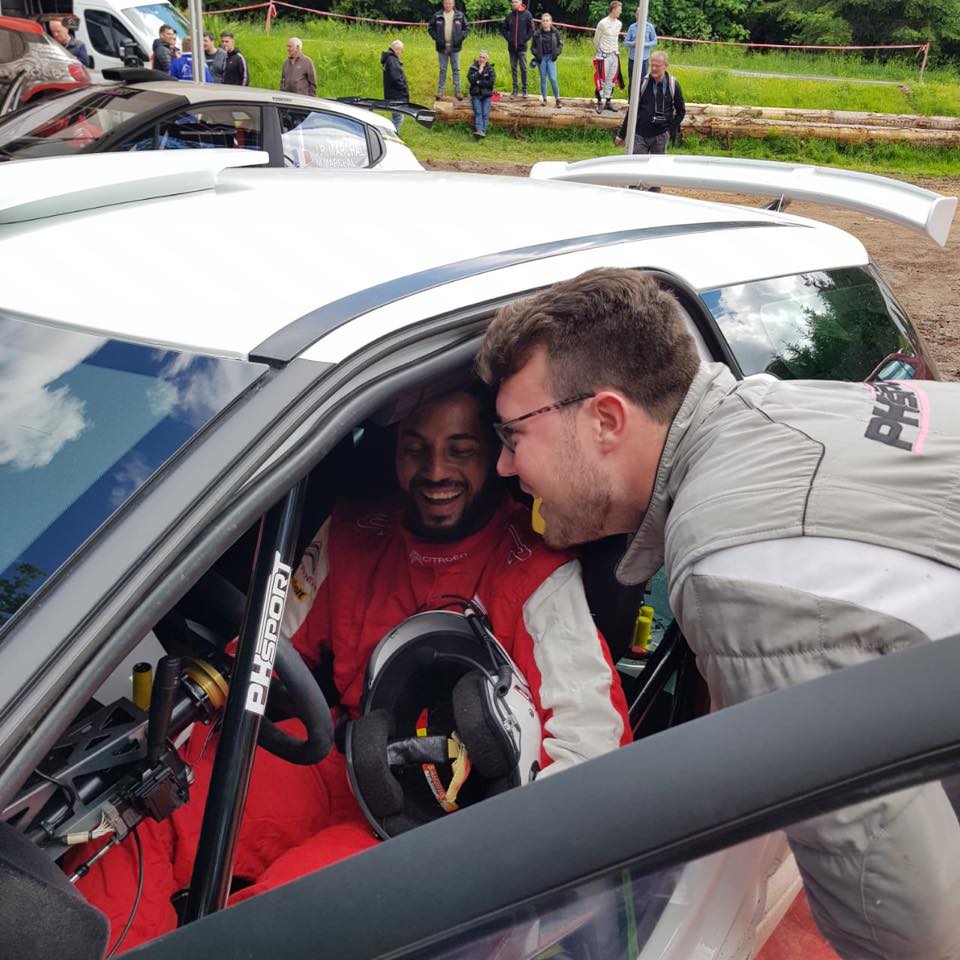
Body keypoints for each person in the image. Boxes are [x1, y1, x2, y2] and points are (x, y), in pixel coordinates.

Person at [477, 267, 960, 960]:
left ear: (606, 419)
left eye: (511, 434)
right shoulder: (786, 406)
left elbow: (905, 920)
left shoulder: (738, 567)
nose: (502, 466)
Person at [76, 386, 631, 951]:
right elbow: (270, 644)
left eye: (461, 450)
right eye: (415, 448)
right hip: (335, 761)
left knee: (274, 928)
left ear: (496, 454)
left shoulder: (533, 567)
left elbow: (593, 743)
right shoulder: (356, 530)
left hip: (437, 821)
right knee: (144, 805)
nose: (435, 471)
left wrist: (501, 858)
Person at [614, 50, 684, 184]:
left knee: (656, 175)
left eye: (657, 65)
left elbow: (681, 111)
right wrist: (621, 135)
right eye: (652, 65)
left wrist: (669, 131)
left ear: (665, 66)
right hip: (640, 134)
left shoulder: (673, 84)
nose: (654, 68)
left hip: (661, 136)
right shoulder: (643, 83)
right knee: (635, 172)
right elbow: (632, 109)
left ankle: (653, 193)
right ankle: (634, 191)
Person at [427, 0, 468, 100]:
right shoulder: (437, 15)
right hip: (442, 47)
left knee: (456, 69)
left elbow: (466, 28)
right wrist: (437, 38)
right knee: (443, 69)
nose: (448, 5)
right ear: (443, 4)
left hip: (455, 47)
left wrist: (460, 38)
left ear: (453, 4)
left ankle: (458, 91)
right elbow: (430, 28)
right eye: (446, 3)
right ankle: (440, 91)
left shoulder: (460, 15)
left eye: (450, 3)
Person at [593, 0, 622, 114]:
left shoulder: (619, 24)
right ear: (613, 10)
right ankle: (599, 102)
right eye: (619, 10)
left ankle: (608, 101)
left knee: (612, 79)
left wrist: (616, 52)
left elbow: (615, 39)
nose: (620, 12)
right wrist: (600, 52)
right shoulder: (602, 23)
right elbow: (596, 39)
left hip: (614, 54)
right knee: (601, 79)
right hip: (603, 55)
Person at [500, 0, 533, 99]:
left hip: (522, 48)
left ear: (520, 3)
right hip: (511, 48)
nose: (513, 3)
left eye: (516, 2)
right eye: (513, 2)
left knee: (523, 68)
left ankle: (525, 89)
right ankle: (515, 89)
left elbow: (531, 30)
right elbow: (504, 29)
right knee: (514, 69)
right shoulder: (509, 16)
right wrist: (509, 39)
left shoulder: (527, 15)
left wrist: (524, 40)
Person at [531, 13, 563, 108]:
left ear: (550, 22)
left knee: (553, 78)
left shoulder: (555, 32)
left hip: (551, 58)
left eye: (547, 21)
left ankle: (558, 99)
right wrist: (537, 55)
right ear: (541, 22)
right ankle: (544, 99)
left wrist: (556, 53)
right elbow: (532, 47)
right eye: (544, 21)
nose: (545, 22)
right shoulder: (537, 34)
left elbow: (560, 44)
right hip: (542, 59)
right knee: (543, 78)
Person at [381, 39, 409, 133]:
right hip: (396, 96)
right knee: (398, 119)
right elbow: (396, 78)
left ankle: (391, 135)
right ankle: (390, 135)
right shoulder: (392, 60)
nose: (401, 53)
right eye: (401, 51)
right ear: (397, 49)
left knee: (397, 118)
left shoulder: (389, 59)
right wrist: (404, 88)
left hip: (391, 94)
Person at [624, 7, 656, 91]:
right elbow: (626, 43)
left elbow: (654, 41)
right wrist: (634, 43)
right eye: (638, 14)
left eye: (642, 14)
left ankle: (641, 99)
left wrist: (644, 44)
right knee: (632, 80)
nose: (640, 16)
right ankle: (630, 98)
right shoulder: (632, 27)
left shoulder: (650, 27)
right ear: (636, 15)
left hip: (644, 59)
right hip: (632, 59)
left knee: (643, 81)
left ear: (646, 15)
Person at [467, 50, 496, 140]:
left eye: (483, 57)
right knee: (478, 112)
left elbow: (491, 83)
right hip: (476, 94)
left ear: (487, 59)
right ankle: (480, 130)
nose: (481, 59)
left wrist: (479, 82)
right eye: (480, 57)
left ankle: (482, 131)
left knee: (485, 113)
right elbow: (471, 80)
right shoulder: (473, 67)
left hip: (487, 95)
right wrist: (479, 72)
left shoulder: (490, 69)